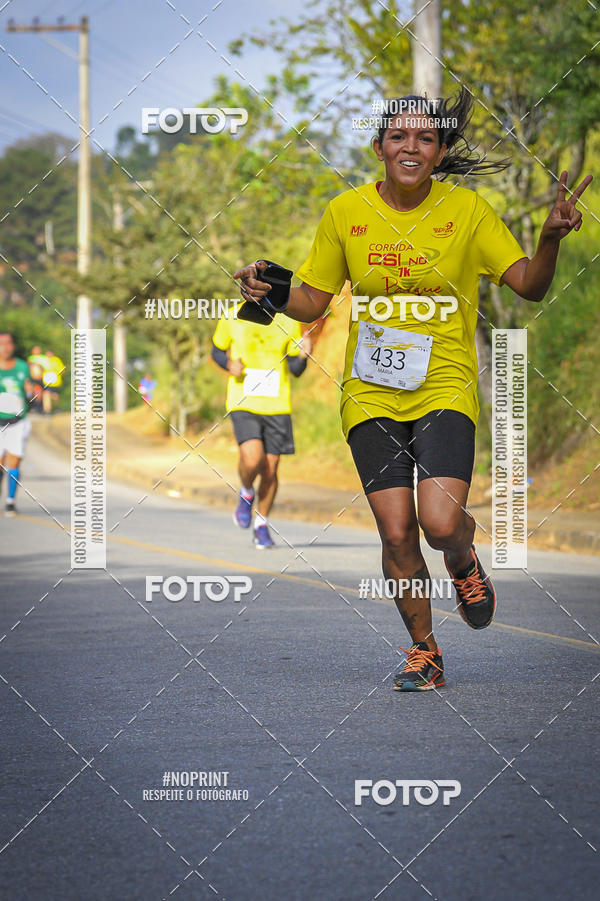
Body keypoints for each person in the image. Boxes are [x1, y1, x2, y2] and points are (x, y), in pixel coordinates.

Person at [233, 88, 592, 689]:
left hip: (445, 386)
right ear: (378, 148)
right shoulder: (344, 214)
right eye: (398, 136)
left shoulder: (469, 212)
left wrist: (550, 238)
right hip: (370, 393)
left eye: (425, 138)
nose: (411, 146)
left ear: (440, 151)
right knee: (396, 531)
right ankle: (425, 651)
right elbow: (314, 301)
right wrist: (270, 290)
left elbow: (528, 284)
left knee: (440, 523)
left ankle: (463, 559)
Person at [211, 311, 312, 548]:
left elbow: (295, 368)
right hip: (243, 401)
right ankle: (247, 492)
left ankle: (262, 525)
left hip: (277, 405)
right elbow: (216, 350)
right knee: (252, 458)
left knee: (271, 468)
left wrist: (305, 355)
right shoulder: (232, 316)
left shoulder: (289, 321)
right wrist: (228, 363)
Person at [0, 332, 34, 516]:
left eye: (8, 343)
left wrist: (30, 393)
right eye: (1, 344)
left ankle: (10, 501)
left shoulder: (22, 367)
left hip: (17, 421)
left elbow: (31, 396)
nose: (5, 347)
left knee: (14, 460)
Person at [41, 349, 65, 414]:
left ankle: (56, 408)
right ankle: (47, 410)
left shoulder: (56, 360)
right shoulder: (44, 360)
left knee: (55, 395)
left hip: (55, 381)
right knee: (46, 393)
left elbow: (62, 370)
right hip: (46, 381)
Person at [27, 345, 47, 413]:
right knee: (35, 392)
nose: (36, 351)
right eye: (35, 350)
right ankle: (36, 407)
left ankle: (40, 407)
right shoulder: (30, 358)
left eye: (37, 349)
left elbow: (46, 367)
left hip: (42, 378)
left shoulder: (43, 358)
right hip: (33, 378)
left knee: (41, 393)